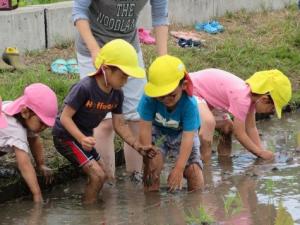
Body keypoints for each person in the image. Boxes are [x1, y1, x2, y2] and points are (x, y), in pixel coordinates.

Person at [72, 0, 169, 180]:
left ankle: (135, 178)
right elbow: (78, 12)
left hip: (128, 50)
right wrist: (95, 51)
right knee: (105, 122)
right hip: (95, 47)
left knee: (137, 117)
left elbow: (160, 15)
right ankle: (107, 182)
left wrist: (163, 61)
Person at [52, 39, 157, 204]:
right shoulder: (85, 87)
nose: (125, 81)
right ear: (106, 69)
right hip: (66, 136)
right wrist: (81, 138)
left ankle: (94, 203)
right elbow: (65, 118)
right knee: (97, 175)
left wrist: (137, 146)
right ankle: (90, 214)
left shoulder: (117, 94)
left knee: (105, 174)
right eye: (123, 76)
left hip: (84, 138)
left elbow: (119, 124)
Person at [190, 69, 292, 162]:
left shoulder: (252, 99)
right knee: (209, 123)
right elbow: (239, 133)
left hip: (206, 98)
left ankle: (224, 160)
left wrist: (261, 152)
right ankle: (205, 166)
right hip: (191, 90)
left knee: (227, 127)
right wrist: (259, 153)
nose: (271, 112)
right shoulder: (242, 99)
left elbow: (251, 127)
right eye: (272, 108)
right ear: (264, 99)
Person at [138, 55, 204, 192]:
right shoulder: (148, 99)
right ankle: (152, 209)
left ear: (184, 85)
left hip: (182, 134)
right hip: (158, 132)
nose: (166, 100)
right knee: (152, 170)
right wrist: (148, 159)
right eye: (161, 96)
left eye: (172, 95)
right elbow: (145, 130)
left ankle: (196, 209)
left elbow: (188, 138)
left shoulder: (189, 104)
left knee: (194, 172)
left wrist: (179, 169)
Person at [0, 83, 58, 202]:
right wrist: (37, 195)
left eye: (46, 125)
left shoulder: (16, 111)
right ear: (25, 112)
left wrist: (40, 164)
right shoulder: (15, 129)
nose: (43, 127)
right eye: (41, 123)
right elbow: (25, 166)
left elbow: (34, 139)